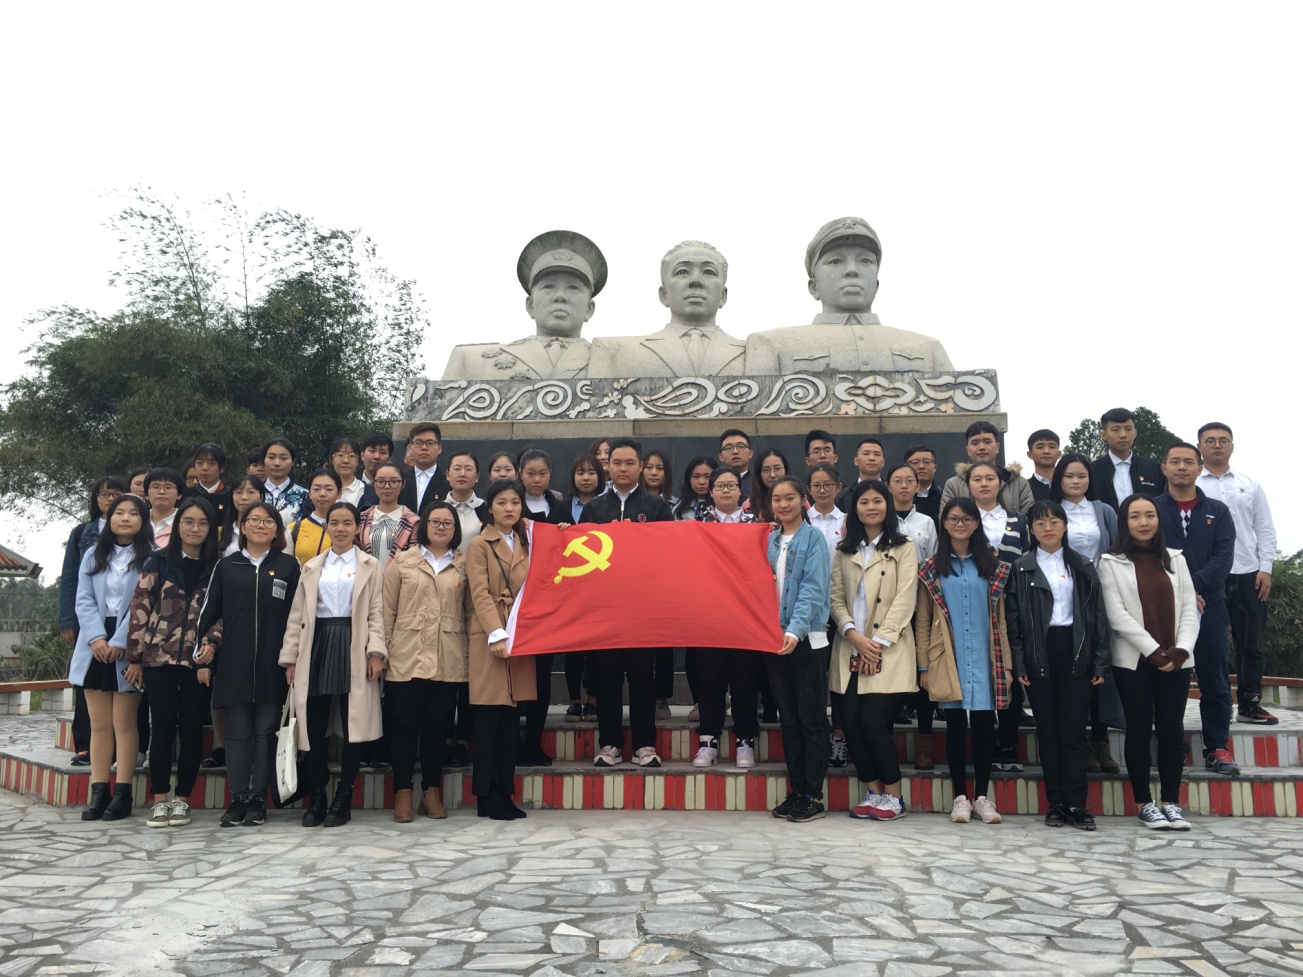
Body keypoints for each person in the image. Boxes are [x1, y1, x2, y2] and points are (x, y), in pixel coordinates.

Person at [195, 502, 302, 827]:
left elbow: (299, 618)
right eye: (252, 520)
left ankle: (258, 800)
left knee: (264, 734)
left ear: (277, 529)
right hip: (234, 665)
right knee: (238, 735)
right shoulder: (227, 566)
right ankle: (237, 798)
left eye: (267, 521)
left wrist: (293, 659)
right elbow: (210, 616)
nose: (259, 525)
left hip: (274, 665)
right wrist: (204, 658)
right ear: (242, 527)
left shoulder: (289, 566)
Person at [280, 502, 386, 828]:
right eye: (334, 523)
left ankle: (345, 795)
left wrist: (376, 652)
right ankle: (317, 795)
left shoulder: (371, 565)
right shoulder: (311, 566)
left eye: (347, 523)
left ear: (357, 528)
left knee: (354, 722)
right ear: (327, 527)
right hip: (317, 644)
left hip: (354, 644)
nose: (340, 529)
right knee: (313, 723)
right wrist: (290, 659)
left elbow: (377, 612)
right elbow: (297, 615)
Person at [1099, 494, 1200, 830]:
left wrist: (1181, 651)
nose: (1144, 522)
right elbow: (1118, 616)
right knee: (1139, 730)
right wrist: (1155, 652)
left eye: (1150, 515)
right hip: (1135, 662)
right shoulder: (1111, 562)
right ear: (1124, 522)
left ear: (1159, 520)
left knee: (1172, 731)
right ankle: (1144, 803)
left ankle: (1171, 801)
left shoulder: (1176, 559)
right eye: (1135, 516)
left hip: (1177, 661)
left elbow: (1189, 608)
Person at [1007, 501, 1110, 830]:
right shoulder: (1021, 567)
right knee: (1048, 731)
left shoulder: (1082, 565)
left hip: (1076, 650)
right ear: (1032, 530)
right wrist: (1020, 661)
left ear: (1065, 526)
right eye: (1040, 523)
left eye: (1054, 521)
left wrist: (1099, 661)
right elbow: (1014, 621)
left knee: (1074, 732)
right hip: (1040, 652)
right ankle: (1055, 804)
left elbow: (1098, 617)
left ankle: (1078, 805)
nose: (1047, 527)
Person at [915, 497, 1012, 825]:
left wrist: (1007, 665)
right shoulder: (931, 568)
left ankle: (982, 797)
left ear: (976, 523)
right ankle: (960, 797)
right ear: (944, 523)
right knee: (955, 727)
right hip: (948, 657)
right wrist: (924, 666)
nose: (960, 524)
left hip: (984, 656)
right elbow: (924, 620)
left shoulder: (992, 566)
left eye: (967, 519)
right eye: (954, 519)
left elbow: (1000, 620)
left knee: (985, 726)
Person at [125, 497, 219, 829]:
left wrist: (212, 642)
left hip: (198, 661)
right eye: (188, 522)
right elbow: (139, 610)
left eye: (202, 523)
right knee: (162, 729)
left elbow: (223, 613)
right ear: (178, 526)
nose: (195, 528)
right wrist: (135, 657)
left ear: (211, 529)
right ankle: (160, 799)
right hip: (158, 658)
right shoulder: (158, 562)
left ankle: (183, 799)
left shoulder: (218, 566)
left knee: (191, 730)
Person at [580, 439, 675, 767]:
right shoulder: (594, 508)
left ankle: (644, 745)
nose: (623, 468)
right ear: (608, 466)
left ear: (640, 467)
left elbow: (669, 553)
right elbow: (581, 553)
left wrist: (635, 538)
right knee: (606, 677)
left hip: (641, 608)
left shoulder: (659, 507)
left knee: (641, 678)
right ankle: (609, 744)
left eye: (630, 463)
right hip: (604, 608)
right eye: (617, 462)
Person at [831, 480, 919, 822]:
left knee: (874, 722)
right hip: (850, 646)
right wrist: (852, 634)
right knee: (850, 723)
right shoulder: (844, 550)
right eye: (864, 501)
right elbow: (836, 599)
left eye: (877, 501)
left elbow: (906, 597)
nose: (871, 507)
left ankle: (894, 796)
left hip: (888, 649)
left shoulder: (904, 547)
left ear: (887, 506)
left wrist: (877, 643)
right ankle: (872, 791)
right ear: (855, 509)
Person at [382, 502, 471, 822]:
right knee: (404, 727)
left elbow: (470, 613)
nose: (441, 527)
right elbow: (385, 612)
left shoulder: (463, 566)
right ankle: (403, 793)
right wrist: (380, 652)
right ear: (424, 526)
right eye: (435, 521)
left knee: (438, 729)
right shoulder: (403, 562)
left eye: (448, 523)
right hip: (406, 656)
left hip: (448, 657)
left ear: (456, 529)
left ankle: (431, 792)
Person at [1154, 442, 1238, 776]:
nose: (1181, 467)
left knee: (1215, 679)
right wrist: (1181, 592)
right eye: (1174, 461)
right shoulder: (1152, 509)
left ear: (1200, 467)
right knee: (1167, 676)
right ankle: (1173, 744)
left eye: (1189, 461)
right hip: (1162, 605)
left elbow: (1224, 557)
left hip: (1210, 606)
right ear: (1164, 468)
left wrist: (1194, 589)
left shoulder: (1218, 511)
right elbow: (1144, 554)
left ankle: (1217, 746)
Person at [70, 494, 153, 822]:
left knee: (124, 723)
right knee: (99, 725)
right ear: (108, 517)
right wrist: (96, 638)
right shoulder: (93, 553)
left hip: (129, 644)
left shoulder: (151, 557)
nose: (126, 518)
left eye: (134, 513)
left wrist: (121, 641)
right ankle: (98, 790)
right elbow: (84, 599)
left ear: (143, 521)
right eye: (120, 512)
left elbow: (145, 603)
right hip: (94, 645)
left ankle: (123, 793)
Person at [1196, 422, 1279, 724]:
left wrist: (1265, 568)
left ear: (1232, 446)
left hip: (1247, 571)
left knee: (1251, 640)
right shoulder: (1192, 485)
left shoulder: (1250, 484)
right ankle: (1215, 700)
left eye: (1223, 440)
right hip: (1206, 575)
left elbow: (1265, 528)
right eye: (1210, 440)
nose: (1217, 445)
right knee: (1206, 641)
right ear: (1200, 446)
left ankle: (1249, 702)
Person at [466, 480, 537, 820]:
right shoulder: (480, 544)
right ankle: (486, 795)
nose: (509, 508)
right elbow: (479, 592)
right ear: (490, 508)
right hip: (492, 634)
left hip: (520, 634)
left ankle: (505, 792)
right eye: (501, 502)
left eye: (515, 502)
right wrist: (495, 632)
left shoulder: (527, 542)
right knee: (488, 718)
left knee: (510, 720)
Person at [1048, 453, 1121, 774]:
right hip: (1062, 600)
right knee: (1070, 674)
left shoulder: (1103, 510)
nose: (1076, 482)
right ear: (1059, 479)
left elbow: (1118, 551)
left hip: (1099, 597)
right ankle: (1076, 743)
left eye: (1082, 476)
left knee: (1098, 669)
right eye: (1069, 476)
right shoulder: (1049, 511)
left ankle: (1101, 744)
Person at [765, 475, 832, 823]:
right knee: (789, 721)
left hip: (806, 641)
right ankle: (796, 790)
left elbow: (813, 589)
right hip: (775, 642)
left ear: (802, 500)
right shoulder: (771, 541)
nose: (783, 504)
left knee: (812, 720)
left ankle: (813, 794)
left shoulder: (814, 539)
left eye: (790, 498)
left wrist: (796, 629)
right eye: (777, 499)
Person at [588, 239, 746, 378]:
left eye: (709, 272)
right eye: (682, 272)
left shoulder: (749, 353)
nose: (696, 281)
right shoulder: (619, 354)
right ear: (664, 294)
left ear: (723, 296)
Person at [691, 468, 762, 770]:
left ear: (740, 490)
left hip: (745, 615)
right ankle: (708, 740)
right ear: (711, 491)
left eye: (731, 485)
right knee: (711, 682)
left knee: (745, 682)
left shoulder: (757, 525)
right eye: (720, 486)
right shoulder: (696, 526)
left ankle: (745, 741)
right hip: (708, 616)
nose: (726, 491)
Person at [965, 461, 1031, 772]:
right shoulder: (962, 520)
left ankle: (1008, 744)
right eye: (977, 479)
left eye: (990, 478)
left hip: (1014, 607)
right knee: (981, 674)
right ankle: (985, 744)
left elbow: (1029, 560)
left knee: (1010, 672)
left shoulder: (1018, 520)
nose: (984, 484)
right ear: (968, 486)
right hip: (975, 604)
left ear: (1000, 484)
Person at [59, 475, 128, 766]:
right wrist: (68, 621)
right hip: (91, 626)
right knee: (88, 687)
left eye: (116, 494)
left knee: (123, 698)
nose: (109, 499)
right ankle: (85, 745)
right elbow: (71, 581)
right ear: (95, 499)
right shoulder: (82, 534)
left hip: (123, 629)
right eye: (103, 494)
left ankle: (119, 753)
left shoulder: (139, 541)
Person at [940, 422, 1036, 514]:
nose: (981, 447)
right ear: (967, 450)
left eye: (987, 442)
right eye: (975, 443)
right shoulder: (953, 485)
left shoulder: (1019, 483)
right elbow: (946, 520)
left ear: (997, 447)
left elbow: (1029, 520)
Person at [1090, 408, 1167, 511]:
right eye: (1115, 429)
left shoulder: (1154, 469)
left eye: (1128, 429)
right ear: (1103, 435)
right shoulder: (1091, 471)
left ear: (1135, 433)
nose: (1123, 435)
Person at [357, 461, 420, 572]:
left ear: (403, 484)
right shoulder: (361, 518)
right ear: (373, 484)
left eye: (393, 481)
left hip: (399, 583)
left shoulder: (413, 521)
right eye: (381, 481)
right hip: (366, 582)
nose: (387, 486)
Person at [288, 469, 342, 565]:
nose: (322, 494)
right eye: (316, 489)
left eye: (329, 489)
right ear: (310, 494)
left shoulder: (347, 529)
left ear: (339, 493)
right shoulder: (294, 529)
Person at [886, 464, 937, 563]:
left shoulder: (927, 522)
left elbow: (931, 559)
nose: (904, 486)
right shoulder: (882, 520)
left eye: (909, 481)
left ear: (917, 486)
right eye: (897, 481)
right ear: (888, 487)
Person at [398, 422, 449, 513]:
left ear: (439, 448)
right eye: (418, 443)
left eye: (430, 443)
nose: (424, 447)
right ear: (410, 448)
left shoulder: (448, 483)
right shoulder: (399, 481)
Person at [444, 451, 487, 552]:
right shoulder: (437, 509)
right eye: (457, 469)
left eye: (468, 469)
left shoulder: (485, 509)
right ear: (447, 475)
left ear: (477, 477)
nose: (462, 474)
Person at [185, 443, 233, 527]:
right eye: (199, 463)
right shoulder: (185, 495)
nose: (205, 468)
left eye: (211, 463)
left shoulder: (232, 496)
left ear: (222, 468)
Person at [219, 475, 267, 557]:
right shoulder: (220, 532)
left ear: (261, 497)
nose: (244, 497)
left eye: (251, 492)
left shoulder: (268, 530)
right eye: (239, 492)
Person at [834, 438, 885, 514]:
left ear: (883, 463)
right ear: (856, 461)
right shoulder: (843, 496)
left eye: (877, 454)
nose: (871, 458)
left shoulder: (892, 491)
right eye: (866, 453)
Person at [261, 439, 308, 521]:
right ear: (264, 460)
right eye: (271, 457)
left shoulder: (305, 496)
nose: (277, 463)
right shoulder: (253, 492)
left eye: (283, 458)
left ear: (293, 462)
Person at [806, 463, 845, 557]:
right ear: (809, 490)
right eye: (816, 486)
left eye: (827, 485)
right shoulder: (802, 520)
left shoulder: (845, 521)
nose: (822, 490)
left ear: (838, 487)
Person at [145, 467, 184, 550]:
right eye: (156, 487)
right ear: (147, 494)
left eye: (168, 487)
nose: (161, 491)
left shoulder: (184, 523)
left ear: (179, 494)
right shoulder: (138, 520)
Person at [746, 449, 790, 523]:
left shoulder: (799, 499)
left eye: (777, 468)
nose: (772, 475)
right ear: (759, 474)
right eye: (766, 470)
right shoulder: (749, 505)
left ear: (785, 469)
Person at [329, 437, 372, 509]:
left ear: (358, 461)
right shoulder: (320, 489)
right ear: (331, 459)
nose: (346, 461)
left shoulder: (369, 492)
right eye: (340, 455)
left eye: (351, 456)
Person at [673, 456, 718, 522]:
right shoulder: (679, 509)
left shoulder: (722, 507)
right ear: (689, 479)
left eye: (707, 477)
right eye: (696, 476)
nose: (701, 482)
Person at [905, 445, 943, 523]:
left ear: (935, 467)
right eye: (915, 462)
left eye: (927, 462)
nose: (921, 466)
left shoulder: (944, 494)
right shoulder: (897, 497)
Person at [1025, 429, 1062, 501]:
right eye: (1040, 447)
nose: (1046, 451)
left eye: (1052, 447)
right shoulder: (1024, 488)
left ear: (1059, 454)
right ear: (1030, 454)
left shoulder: (1067, 486)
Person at [718, 430, 753, 502]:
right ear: (720, 457)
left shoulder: (758, 483)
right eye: (729, 448)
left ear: (750, 453)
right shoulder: (714, 484)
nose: (735, 451)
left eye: (740, 446)